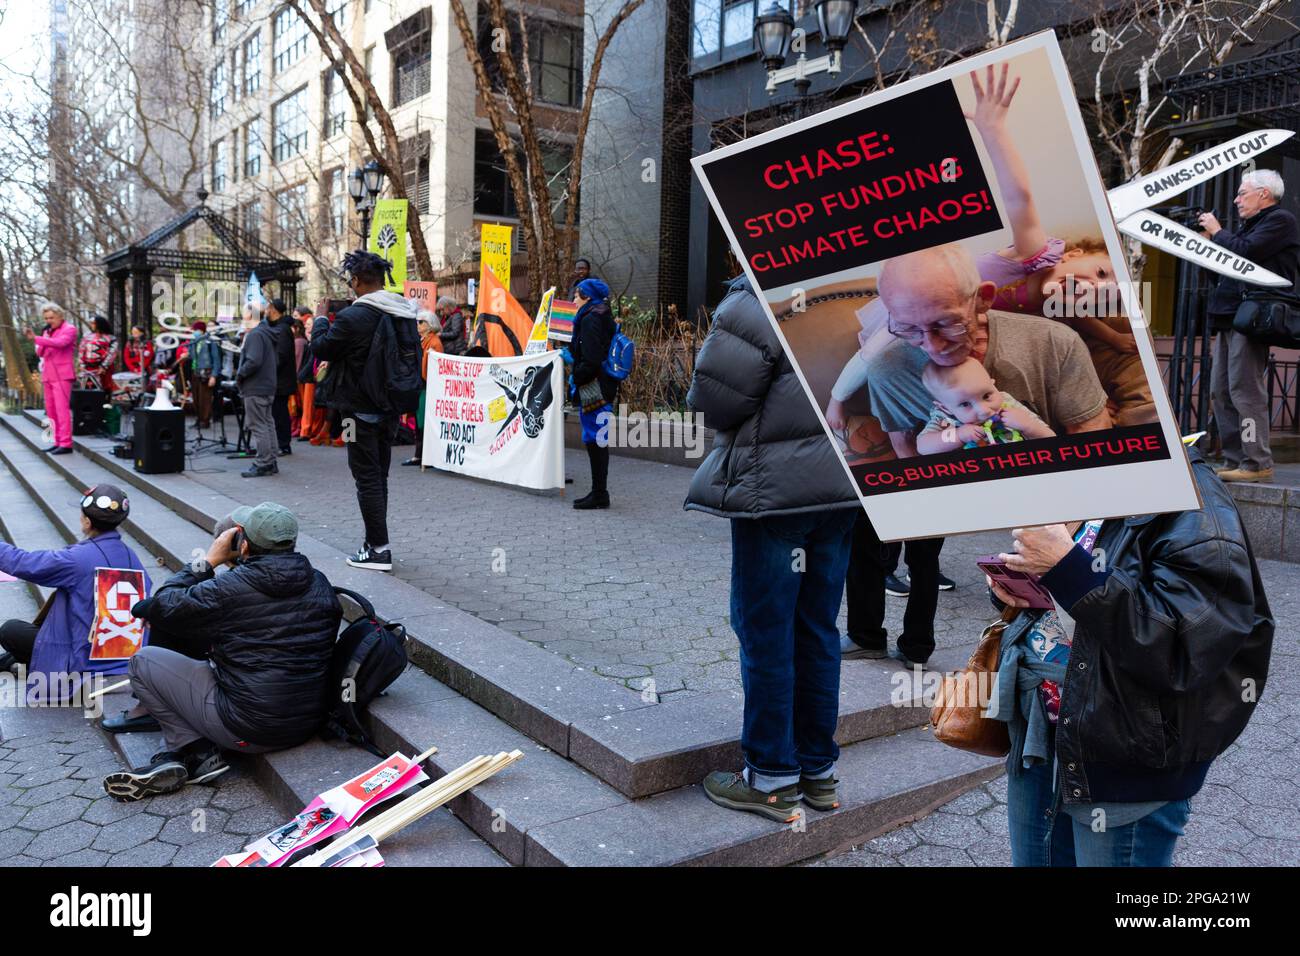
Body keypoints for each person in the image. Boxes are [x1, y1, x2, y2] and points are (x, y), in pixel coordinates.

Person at [987, 446, 1272, 866]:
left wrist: (1068, 569)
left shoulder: (1191, 498)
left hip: (1124, 753)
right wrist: (1023, 590)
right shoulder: (1084, 474)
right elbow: (1081, 599)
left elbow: (1183, 645)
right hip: (1044, 737)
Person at [842, 244, 1112, 666]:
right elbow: (910, 452)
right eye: (908, 328)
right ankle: (876, 638)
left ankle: (925, 647)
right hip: (939, 486)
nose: (928, 343)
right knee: (887, 536)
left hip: (1050, 500)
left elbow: (1094, 456)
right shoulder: (891, 367)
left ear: (983, 298)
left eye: (945, 323)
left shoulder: (1051, 345)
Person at [685, 275, 860, 822]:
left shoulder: (762, 296)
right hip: (845, 485)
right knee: (818, 628)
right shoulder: (868, 286)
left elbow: (714, 397)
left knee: (767, 631)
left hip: (777, 495)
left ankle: (770, 777)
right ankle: (818, 773)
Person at [101, 502, 342, 801]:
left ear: (241, 542)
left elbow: (158, 605)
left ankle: (193, 749)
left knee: (143, 661)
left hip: (246, 728)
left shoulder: (228, 588)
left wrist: (209, 561)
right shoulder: (319, 582)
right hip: (306, 723)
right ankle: (178, 754)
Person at [308, 250, 419, 572]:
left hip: (354, 413)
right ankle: (374, 542)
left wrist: (319, 318)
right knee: (378, 475)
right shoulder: (404, 312)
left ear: (356, 281)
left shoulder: (354, 317)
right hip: (389, 409)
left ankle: (378, 550)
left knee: (365, 477)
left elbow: (321, 347)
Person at [1202, 169, 1300, 483]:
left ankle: (1256, 462)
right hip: (1229, 315)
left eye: (1242, 193)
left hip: (1251, 318)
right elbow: (1224, 273)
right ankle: (1235, 459)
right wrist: (1208, 246)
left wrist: (1218, 233)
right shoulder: (1246, 227)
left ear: (1263, 194)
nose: (1236, 200)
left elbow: (1247, 254)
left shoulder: (1281, 221)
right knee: (1222, 391)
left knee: (1245, 390)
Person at [0, 485, 148, 692]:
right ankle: (11, 663)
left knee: (11, 630)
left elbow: (24, 563)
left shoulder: (77, 559)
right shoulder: (134, 558)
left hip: (83, 659)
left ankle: (19, 665)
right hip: (122, 651)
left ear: (87, 521)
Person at [915, 357, 1054, 454]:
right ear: (945, 407)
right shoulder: (945, 419)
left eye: (987, 396)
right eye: (965, 404)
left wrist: (1029, 425)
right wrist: (958, 435)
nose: (984, 410)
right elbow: (923, 446)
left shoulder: (1007, 403)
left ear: (993, 384)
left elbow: (1051, 438)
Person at [568, 276, 618, 509]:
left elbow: (590, 360)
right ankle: (599, 493)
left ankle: (599, 494)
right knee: (597, 439)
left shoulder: (590, 319)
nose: (574, 299)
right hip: (602, 385)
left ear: (587, 297)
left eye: (577, 295)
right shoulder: (601, 314)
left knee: (595, 439)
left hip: (594, 387)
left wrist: (575, 376)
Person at [27, 302, 78, 455]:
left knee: (62, 410)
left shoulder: (69, 329)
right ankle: (57, 441)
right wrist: (42, 337)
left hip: (62, 375)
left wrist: (37, 338)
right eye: (46, 318)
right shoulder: (48, 331)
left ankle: (66, 443)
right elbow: (41, 353)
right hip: (48, 375)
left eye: (52, 318)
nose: (49, 321)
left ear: (60, 316)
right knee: (51, 411)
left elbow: (60, 343)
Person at [236, 305, 279, 478]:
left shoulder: (255, 335)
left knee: (259, 425)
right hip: (266, 386)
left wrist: (240, 374)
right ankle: (270, 460)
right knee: (267, 424)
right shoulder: (266, 333)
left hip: (255, 387)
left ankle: (263, 463)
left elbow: (253, 361)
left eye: (245, 317)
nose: (243, 320)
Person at [402, 309, 443, 467]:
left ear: (430, 324)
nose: (418, 325)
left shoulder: (434, 343)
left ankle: (425, 456)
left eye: (421, 322)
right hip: (419, 385)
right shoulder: (422, 341)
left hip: (427, 386)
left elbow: (434, 368)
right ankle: (419, 455)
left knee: (423, 422)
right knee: (418, 422)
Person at [266, 298, 297, 456]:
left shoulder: (283, 329)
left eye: (268, 307)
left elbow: (281, 355)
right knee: (277, 412)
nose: (266, 310)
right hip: (278, 380)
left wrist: (269, 370)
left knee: (280, 413)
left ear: (274, 309)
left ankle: (284, 444)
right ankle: (280, 442)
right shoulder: (280, 327)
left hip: (281, 381)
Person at [188, 320, 223, 430]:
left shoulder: (210, 342)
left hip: (206, 373)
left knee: (205, 399)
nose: (194, 332)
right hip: (195, 373)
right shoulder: (193, 342)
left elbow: (216, 360)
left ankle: (205, 420)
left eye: (196, 330)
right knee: (196, 398)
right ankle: (198, 419)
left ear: (201, 330)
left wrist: (213, 376)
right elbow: (191, 356)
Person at [77, 314, 118, 392]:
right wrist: (82, 364)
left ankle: (105, 403)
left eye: (93, 323)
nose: (91, 325)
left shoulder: (111, 338)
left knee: (105, 389)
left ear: (100, 324)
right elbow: (81, 350)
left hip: (103, 369)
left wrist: (103, 366)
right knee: (87, 389)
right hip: (87, 368)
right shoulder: (87, 336)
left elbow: (112, 353)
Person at [290, 309, 311, 438]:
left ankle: (300, 428)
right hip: (301, 377)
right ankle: (299, 427)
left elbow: (297, 361)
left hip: (299, 378)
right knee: (298, 405)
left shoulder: (298, 342)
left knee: (298, 405)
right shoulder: (302, 341)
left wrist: (295, 377)